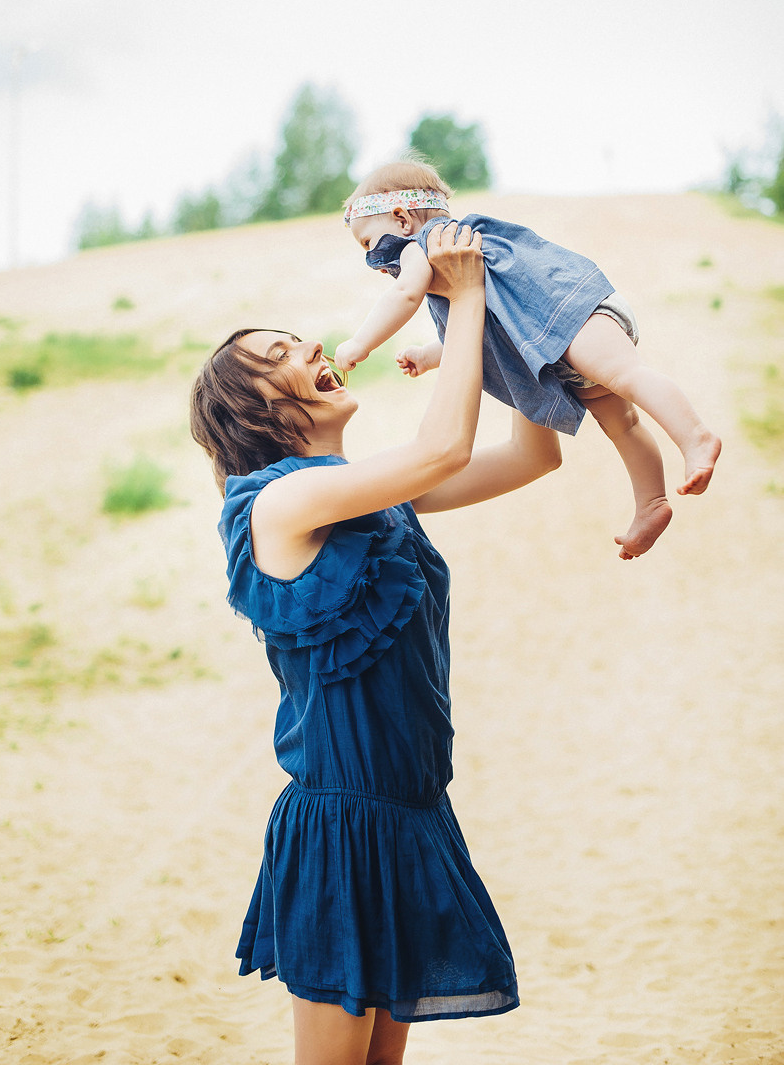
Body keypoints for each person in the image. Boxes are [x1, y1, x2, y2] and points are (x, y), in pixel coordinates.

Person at [190, 223, 560, 1065]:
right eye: (281, 351)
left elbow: (532, 454)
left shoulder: (377, 499)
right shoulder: (274, 507)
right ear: (253, 406)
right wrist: (461, 300)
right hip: (340, 826)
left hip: (413, 815)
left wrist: (486, 314)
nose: (312, 345)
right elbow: (444, 447)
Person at [334, 160, 722, 561]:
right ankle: (652, 503)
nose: (373, 259)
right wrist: (430, 357)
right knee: (623, 424)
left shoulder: (428, 243)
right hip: (559, 350)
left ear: (401, 219)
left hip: (571, 318)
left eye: (367, 243)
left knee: (628, 377)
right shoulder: (452, 265)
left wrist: (360, 343)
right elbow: (479, 330)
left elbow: (404, 297)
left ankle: (694, 435)